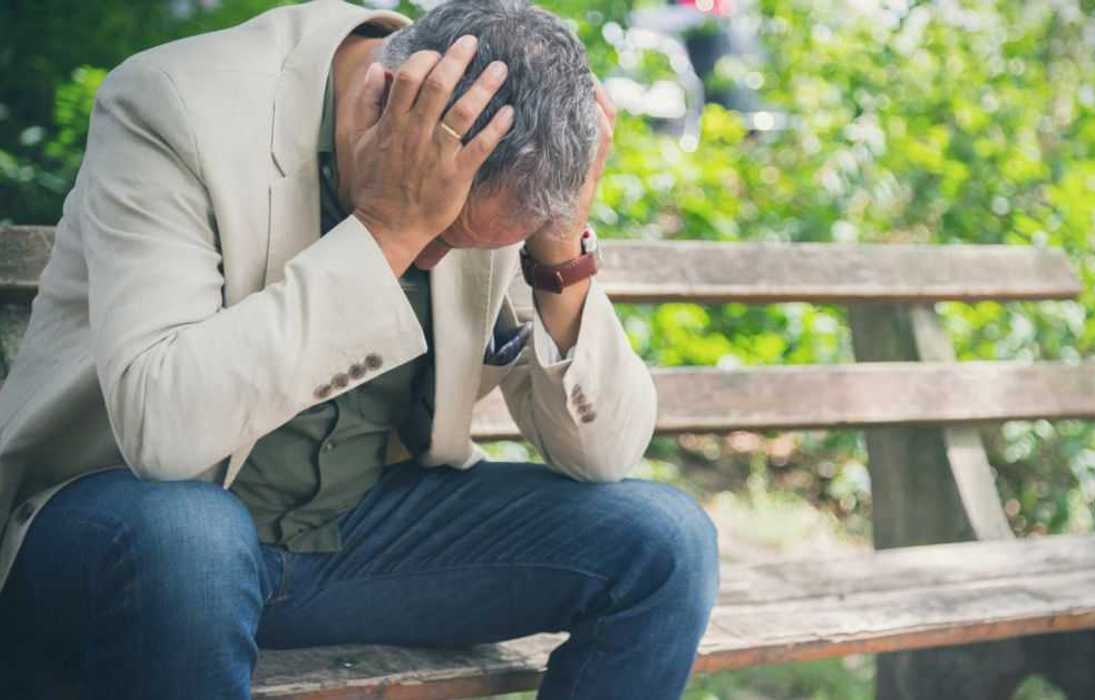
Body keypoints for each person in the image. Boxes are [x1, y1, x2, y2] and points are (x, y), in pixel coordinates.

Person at [0, 0, 720, 697]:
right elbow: (163, 434)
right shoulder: (174, 104)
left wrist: (558, 249)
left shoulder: (490, 149)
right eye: (438, 238)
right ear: (381, 102)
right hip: (130, 547)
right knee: (192, 535)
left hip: (354, 541)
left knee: (666, 542)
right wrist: (390, 229)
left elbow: (604, 455)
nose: (433, 263)